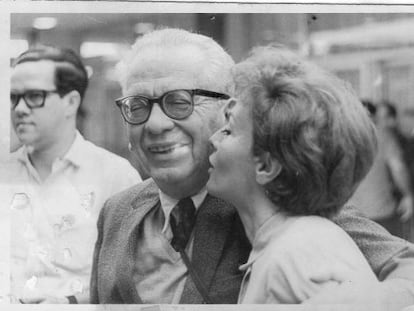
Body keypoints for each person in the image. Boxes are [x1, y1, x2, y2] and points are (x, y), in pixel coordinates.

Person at [90, 28, 414, 306]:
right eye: (138, 105)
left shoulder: (287, 204)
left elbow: (406, 267)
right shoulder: (117, 211)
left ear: (225, 107)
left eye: (179, 102)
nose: (156, 124)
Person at [207, 45, 379, 303]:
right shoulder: (294, 242)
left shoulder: (295, 256)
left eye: (229, 131)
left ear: (265, 166)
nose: (212, 139)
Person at [9, 45, 141, 304]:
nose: (20, 109)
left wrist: (70, 302)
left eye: (35, 96)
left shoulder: (115, 177)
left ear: (71, 102)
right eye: (14, 97)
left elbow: (135, 279)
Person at [350, 100, 413, 238]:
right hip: (380, 213)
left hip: (348, 217)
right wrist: (408, 195)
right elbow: (398, 167)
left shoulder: (338, 136)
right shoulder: (382, 135)